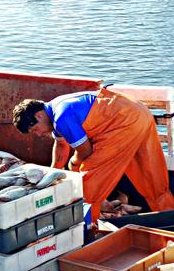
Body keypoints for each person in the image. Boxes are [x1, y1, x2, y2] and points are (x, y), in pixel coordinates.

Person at [12, 87, 174, 222]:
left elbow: (85, 151)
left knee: (87, 183)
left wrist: (74, 164)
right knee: (151, 175)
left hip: (123, 123)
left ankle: (87, 227)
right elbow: (61, 145)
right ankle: (169, 216)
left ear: (38, 116)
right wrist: (52, 173)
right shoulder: (56, 107)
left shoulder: (62, 118)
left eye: (35, 130)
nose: (38, 134)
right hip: (141, 113)